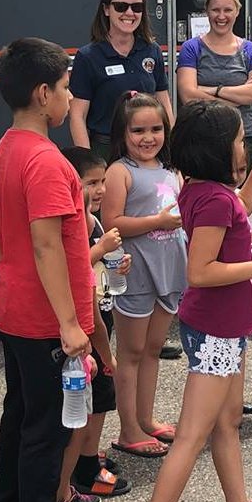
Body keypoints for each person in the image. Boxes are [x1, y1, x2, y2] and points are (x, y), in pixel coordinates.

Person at [150, 100, 252, 502]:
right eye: (237, 139)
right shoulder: (214, 197)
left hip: (224, 326)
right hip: (217, 328)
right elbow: (201, 271)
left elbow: (240, 208)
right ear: (217, 149)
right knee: (192, 435)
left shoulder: (205, 191)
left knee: (227, 423)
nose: (242, 145)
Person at [0, 38, 93, 502]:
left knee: (20, 414)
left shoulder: (7, 145)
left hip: (16, 309)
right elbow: (47, 244)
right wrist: (69, 323)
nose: (70, 98)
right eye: (66, 89)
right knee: (46, 432)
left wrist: (8, 272)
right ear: (44, 95)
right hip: (47, 320)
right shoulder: (47, 160)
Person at [101, 91, 187, 458]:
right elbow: (112, 225)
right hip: (135, 273)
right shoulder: (119, 171)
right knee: (132, 352)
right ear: (123, 133)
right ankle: (128, 429)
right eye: (138, 130)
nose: (148, 137)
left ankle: (146, 420)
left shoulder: (171, 171)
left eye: (156, 129)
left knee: (152, 350)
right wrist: (160, 221)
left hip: (169, 271)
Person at [61, 147, 132, 498]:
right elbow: (74, 268)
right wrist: (101, 249)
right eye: (91, 182)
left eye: (103, 180)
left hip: (101, 309)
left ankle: (87, 455)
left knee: (100, 400)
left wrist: (117, 263)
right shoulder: (77, 225)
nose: (100, 189)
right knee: (97, 398)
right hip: (88, 326)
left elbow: (96, 266)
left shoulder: (94, 220)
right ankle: (86, 467)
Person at [68, 0, 174, 159]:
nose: (130, 13)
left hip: (148, 150)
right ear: (106, 9)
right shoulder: (89, 57)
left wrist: (171, 149)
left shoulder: (151, 51)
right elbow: (77, 116)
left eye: (137, 7)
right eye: (121, 7)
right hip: (106, 151)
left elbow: (164, 104)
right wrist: (88, 163)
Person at [176, 0, 252, 167]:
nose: (221, 16)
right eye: (215, 10)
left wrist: (214, 90)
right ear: (207, 12)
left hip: (244, 139)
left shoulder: (251, 51)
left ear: (237, 11)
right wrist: (240, 95)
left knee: (245, 195)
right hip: (202, 139)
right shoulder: (191, 48)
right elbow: (188, 96)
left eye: (228, 10)